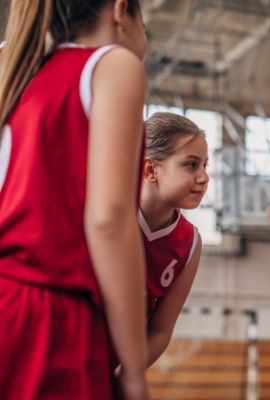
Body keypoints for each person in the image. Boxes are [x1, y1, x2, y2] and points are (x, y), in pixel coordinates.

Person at [0, 1, 149, 399]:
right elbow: (108, 221)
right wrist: (134, 370)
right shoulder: (110, 65)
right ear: (121, 11)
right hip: (42, 315)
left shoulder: (12, 68)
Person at [138, 112, 208, 367]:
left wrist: (126, 374)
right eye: (191, 164)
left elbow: (160, 331)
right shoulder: (109, 214)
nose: (204, 177)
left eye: (205, 165)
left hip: (112, 369)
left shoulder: (190, 243)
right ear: (150, 169)